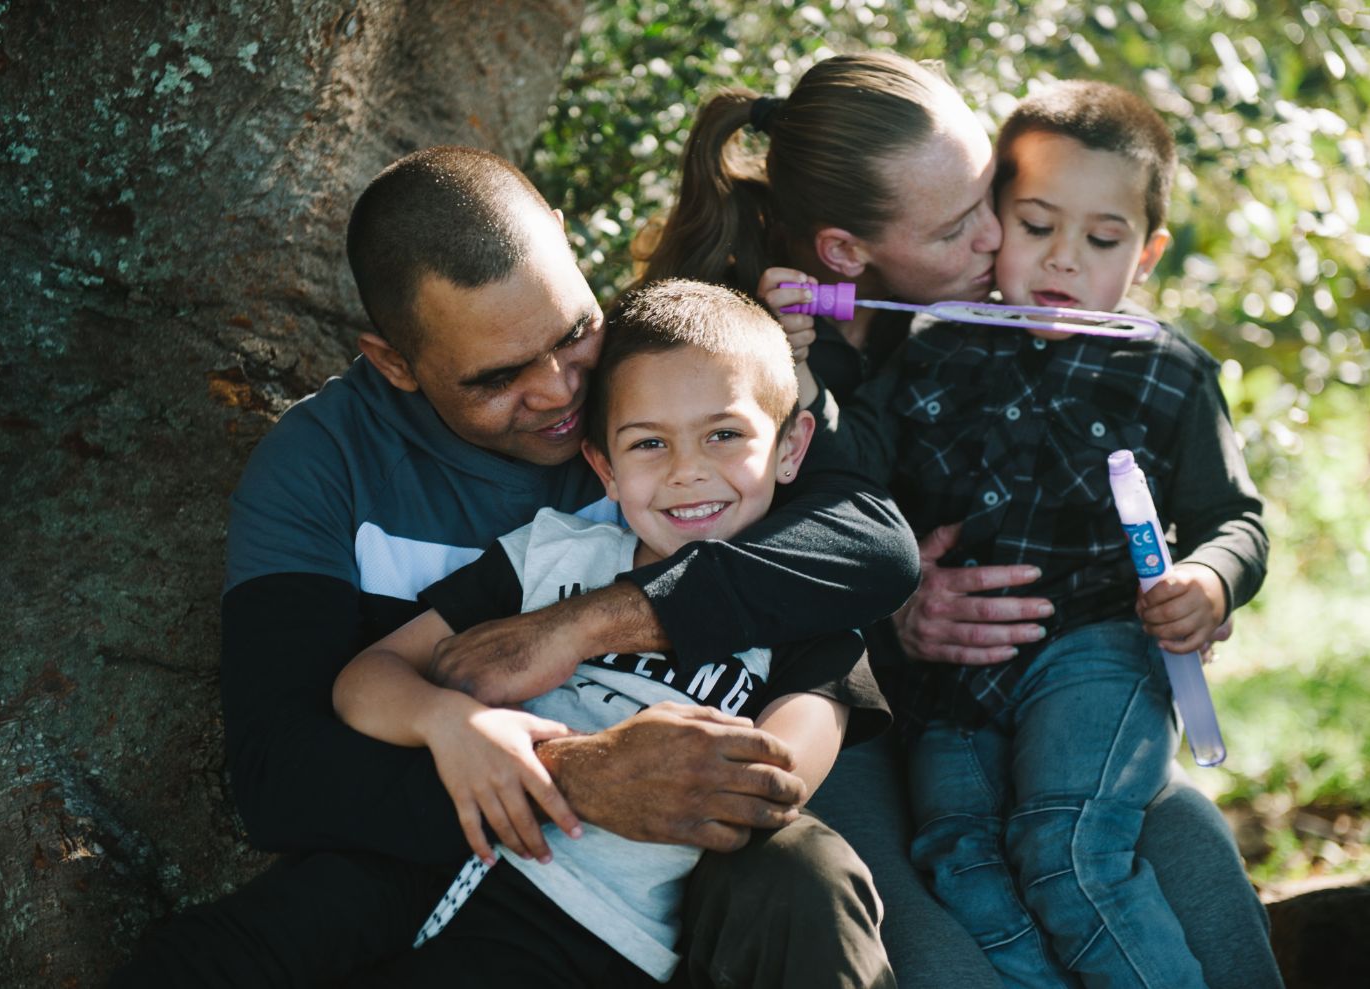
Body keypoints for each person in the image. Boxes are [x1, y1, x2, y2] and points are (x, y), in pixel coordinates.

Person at [112, 145, 919, 987]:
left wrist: (582, 625)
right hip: (452, 857)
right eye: (498, 377)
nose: (561, 392)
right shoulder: (321, 470)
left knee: (812, 874)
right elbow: (281, 771)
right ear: (395, 360)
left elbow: (870, 540)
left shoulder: (663, 378)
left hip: (668, 900)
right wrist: (574, 773)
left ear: (570, 254)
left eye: (572, 334)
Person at [641, 51, 1283, 989]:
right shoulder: (776, 354)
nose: (1017, 249)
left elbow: (1217, 508)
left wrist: (1198, 582)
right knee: (965, 906)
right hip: (858, 711)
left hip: (1063, 679)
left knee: (1163, 852)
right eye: (988, 222)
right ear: (846, 256)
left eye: (997, 199)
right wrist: (893, 610)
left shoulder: (1038, 328)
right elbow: (792, 536)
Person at [330, 278, 893, 986]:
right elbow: (365, 681)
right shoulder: (549, 554)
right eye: (649, 443)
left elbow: (776, 782)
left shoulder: (810, 619)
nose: (689, 472)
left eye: (724, 434)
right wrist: (447, 721)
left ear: (789, 446)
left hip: (617, 945)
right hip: (451, 876)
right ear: (603, 465)